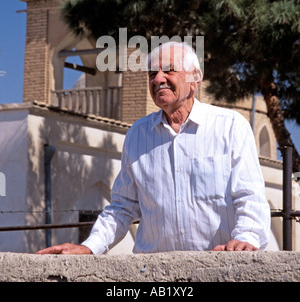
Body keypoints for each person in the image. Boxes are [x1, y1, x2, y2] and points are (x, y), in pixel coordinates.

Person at [37, 41, 270, 255]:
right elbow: (122, 206)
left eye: (169, 70)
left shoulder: (229, 127)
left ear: (195, 79)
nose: (158, 79)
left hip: (218, 268)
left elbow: (249, 195)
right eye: (151, 73)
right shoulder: (138, 135)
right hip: (153, 274)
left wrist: (245, 238)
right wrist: (89, 248)